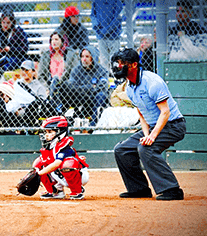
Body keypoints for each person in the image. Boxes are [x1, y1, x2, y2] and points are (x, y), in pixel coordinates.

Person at [111, 48, 187, 201]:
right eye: (118, 63)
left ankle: (172, 190)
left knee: (146, 148)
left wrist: (152, 137)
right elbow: (141, 114)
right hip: (153, 126)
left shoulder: (152, 82)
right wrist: (147, 135)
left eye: (123, 63)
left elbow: (165, 112)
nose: (119, 66)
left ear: (134, 65)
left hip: (173, 125)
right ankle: (139, 189)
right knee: (122, 150)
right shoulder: (130, 87)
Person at [31, 116, 90, 200]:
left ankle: (77, 191)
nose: (46, 135)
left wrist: (39, 174)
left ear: (60, 132)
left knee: (68, 164)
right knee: (39, 163)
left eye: (50, 132)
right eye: (46, 132)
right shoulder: (51, 146)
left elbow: (57, 163)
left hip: (79, 176)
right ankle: (56, 191)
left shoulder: (64, 145)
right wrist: (37, 171)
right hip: (60, 174)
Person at [52, 46, 112, 124]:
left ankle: (93, 125)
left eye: (87, 57)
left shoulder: (102, 70)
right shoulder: (76, 70)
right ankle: (60, 120)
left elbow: (102, 87)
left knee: (101, 95)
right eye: (82, 56)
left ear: (93, 57)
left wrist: (82, 88)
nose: (84, 59)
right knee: (64, 87)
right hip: (79, 97)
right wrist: (91, 87)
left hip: (93, 99)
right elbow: (72, 87)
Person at [0, 7, 29, 74]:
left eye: (8, 23)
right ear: (0, 21)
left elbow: (25, 48)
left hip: (13, 57)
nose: (5, 25)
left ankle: (0, 70)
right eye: (3, 22)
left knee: (7, 63)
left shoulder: (18, 31)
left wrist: (10, 49)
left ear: (12, 22)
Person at [92, 0, 124, 68]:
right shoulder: (96, 2)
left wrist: (104, 31)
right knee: (104, 61)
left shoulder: (117, 2)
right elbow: (93, 16)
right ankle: (105, 77)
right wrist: (97, 27)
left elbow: (117, 19)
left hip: (114, 36)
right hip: (101, 37)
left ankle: (115, 76)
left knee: (114, 60)